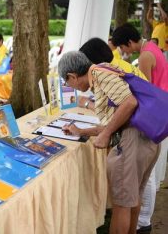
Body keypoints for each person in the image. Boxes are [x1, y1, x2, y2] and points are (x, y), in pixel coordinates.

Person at [58, 51, 160, 234]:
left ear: (72, 76)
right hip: (145, 138)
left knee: (121, 204)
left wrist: (105, 135)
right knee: (133, 198)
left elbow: (129, 103)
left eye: (67, 83)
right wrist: (82, 132)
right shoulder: (107, 69)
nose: (69, 86)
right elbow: (117, 119)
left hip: (131, 142)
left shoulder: (99, 74)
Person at [112, 23, 168, 233]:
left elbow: (144, 92)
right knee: (150, 171)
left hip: (155, 117)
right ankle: (144, 219)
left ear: (129, 42)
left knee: (147, 173)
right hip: (162, 113)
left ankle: (143, 222)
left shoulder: (145, 56)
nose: (123, 53)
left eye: (123, 48)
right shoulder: (153, 48)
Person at [77, 37, 147, 110]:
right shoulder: (118, 64)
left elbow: (121, 110)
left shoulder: (111, 73)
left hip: (142, 113)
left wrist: (87, 103)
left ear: (94, 61)